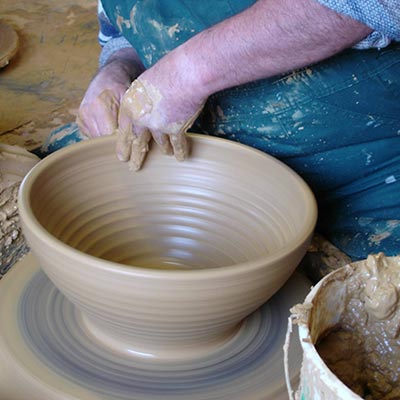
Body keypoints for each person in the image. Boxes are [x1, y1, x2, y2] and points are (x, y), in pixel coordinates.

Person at [77, 0, 400, 261]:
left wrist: (190, 73)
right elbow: (125, 26)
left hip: (361, 168)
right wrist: (118, 66)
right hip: (193, 152)